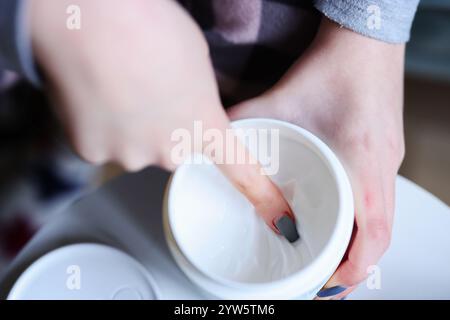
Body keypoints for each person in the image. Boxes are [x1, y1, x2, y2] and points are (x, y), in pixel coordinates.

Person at [0, 0, 420, 299]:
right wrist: (36, 16)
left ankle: (64, 142)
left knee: (133, 123)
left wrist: (369, 30)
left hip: (268, 48)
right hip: (27, 50)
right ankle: (59, 145)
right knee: (77, 110)